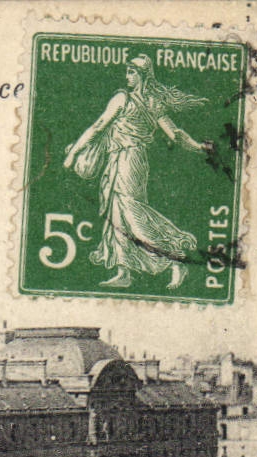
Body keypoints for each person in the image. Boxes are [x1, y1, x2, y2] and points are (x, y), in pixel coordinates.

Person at [62, 55, 214, 289]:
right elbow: (175, 134)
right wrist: (198, 147)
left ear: (143, 74)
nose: (127, 76)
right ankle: (124, 272)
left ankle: (175, 259)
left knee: (132, 213)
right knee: (117, 215)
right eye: (127, 71)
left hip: (128, 160)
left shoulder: (124, 99)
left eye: (131, 72)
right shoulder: (152, 102)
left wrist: (73, 154)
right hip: (122, 160)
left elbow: (99, 126)